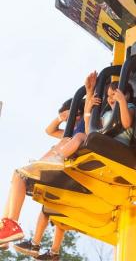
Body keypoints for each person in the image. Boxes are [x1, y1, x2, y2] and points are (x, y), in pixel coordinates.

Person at [0, 98, 83, 257]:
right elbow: (49, 130)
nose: (67, 122)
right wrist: (61, 118)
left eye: (70, 118)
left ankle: (10, 226)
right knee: (17, 177)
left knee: (19, 175)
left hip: (57, 169)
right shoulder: (69, 134)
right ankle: (6, 227)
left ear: (77, 114)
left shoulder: (76, 134)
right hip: (49, 167)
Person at [28, 72, 135, 169]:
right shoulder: (107, 114)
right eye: (108, 96)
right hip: (106, 143)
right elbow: (90, 131)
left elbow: (126, 123)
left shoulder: (129, 107)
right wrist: (88, 109)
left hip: (119, 145)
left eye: (114, 95)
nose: (110, 98)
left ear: (126, 95)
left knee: (79, 136)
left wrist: (121, 101)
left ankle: (57, 159)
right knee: (69, 139)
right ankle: (42, 164)